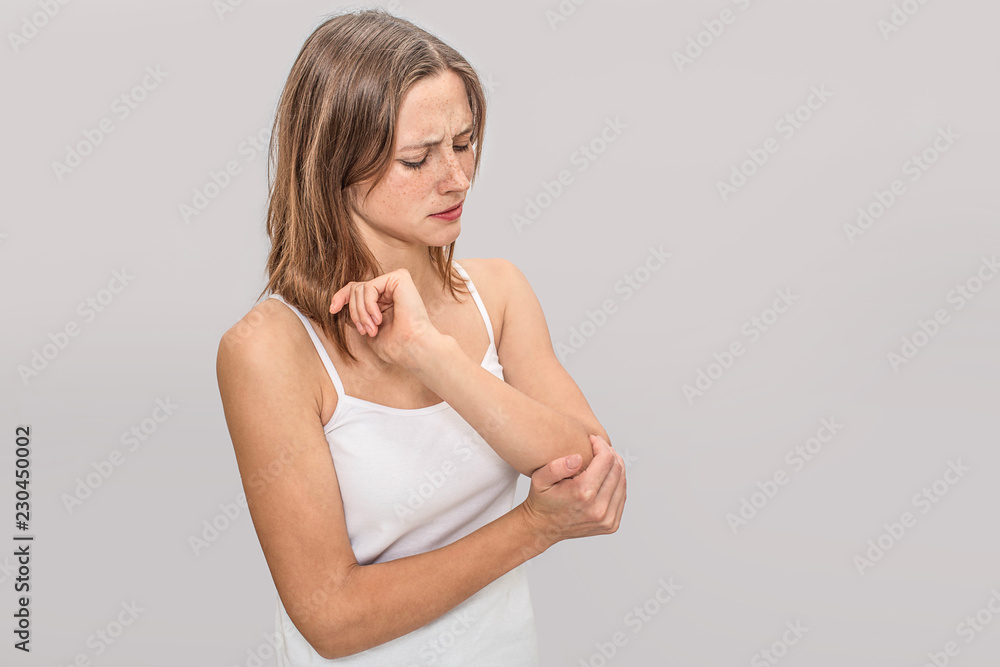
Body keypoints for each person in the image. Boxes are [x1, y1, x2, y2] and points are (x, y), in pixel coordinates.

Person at [215, 8, 626, 665]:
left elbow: (590, 472)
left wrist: (432, 355)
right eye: (417, 158)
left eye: (464, 143)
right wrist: (532, 527)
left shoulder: (499, 292)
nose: (457, 177)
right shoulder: (268, 349)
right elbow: (331, 617)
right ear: (335, 165)